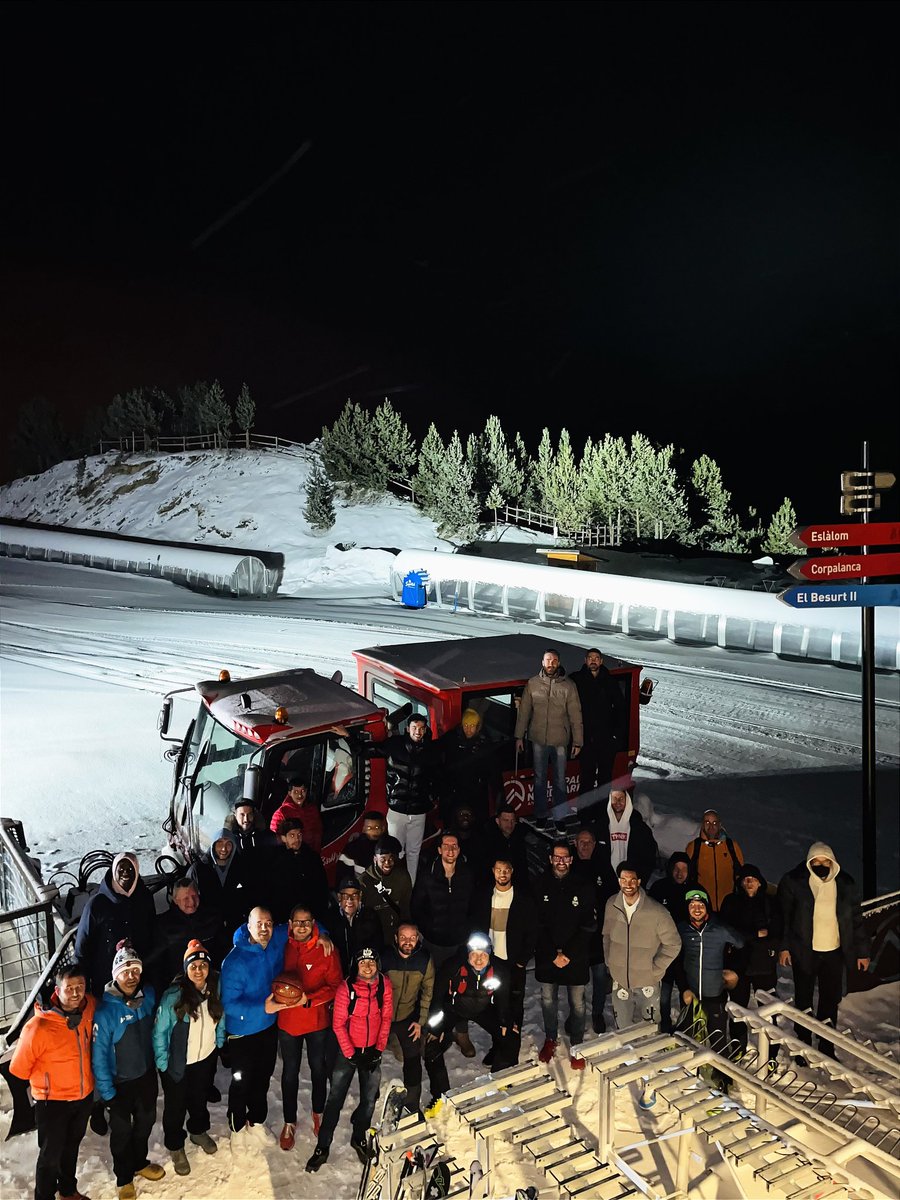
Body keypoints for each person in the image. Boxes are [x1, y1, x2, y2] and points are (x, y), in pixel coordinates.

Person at [10, 963, 96, 1200]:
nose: (77, 993)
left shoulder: (88, 1009)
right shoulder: (38, 1027)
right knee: (50, 1156)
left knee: (71, 1148)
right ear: (57, 991)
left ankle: (68, 1191)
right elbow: (18, 1069)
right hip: (53, 1103)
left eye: (81, 986)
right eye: (70, 988)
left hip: (83, 1095)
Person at [777, 842, 870, 1059]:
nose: (821, 865)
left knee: (830, 1000)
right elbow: (784, 918)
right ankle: (803, 1045)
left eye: (825, 862)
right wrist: (784, 947)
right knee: (803, 999)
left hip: (834, 952)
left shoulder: (845, 884)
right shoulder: (794, 882)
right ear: (809, 862)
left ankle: (826, 1046)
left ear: (833, 862)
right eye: (816, 862)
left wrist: (862, 952)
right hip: (804, 950)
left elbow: (856, 920)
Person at [305, 947, 394, 1173]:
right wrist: (351, 1053)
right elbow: (338, 1024)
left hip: (372, 1050)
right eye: (362, 962)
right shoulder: (347, 988)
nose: (367, 967)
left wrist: (378, 1049)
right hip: (349, 1052)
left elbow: (386, 1018)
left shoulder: (384, 985)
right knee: (335, 1099)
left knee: (369, 1098)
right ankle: (322, 1146)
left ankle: (359, 1136)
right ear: (356, 965)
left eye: (371, 962)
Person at [91, 941, 165, 1200]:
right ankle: (124, 1178)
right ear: (115, 975)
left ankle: (139, 1162)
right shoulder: (105, 1013)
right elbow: (99, 1056)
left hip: (145, 1075)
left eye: (135, 971)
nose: (131, 977)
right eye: (125, 971)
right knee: (122, 1131)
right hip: (119, 1083)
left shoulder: (149, 997)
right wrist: (107, 1094)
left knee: (145, 1122)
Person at [152, 939, 225, 1176]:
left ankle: (198, 1130)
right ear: (186, 969)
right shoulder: (174, 996)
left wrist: (220, 1040)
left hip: (204, 1058)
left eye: (203, 965)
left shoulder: (214, 988)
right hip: (179, 1063)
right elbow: (160, 1032)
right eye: (193, 966)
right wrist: (163, 1061)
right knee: (175, 1106)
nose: (198, 970)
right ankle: (175, 1145)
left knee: (198, 1099)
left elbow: (220, 1016)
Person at [422, 933, 515, 1116]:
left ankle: (501, 1079)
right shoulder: (452, 967)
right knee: (431, 1047)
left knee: (510, 1036)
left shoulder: (500, 969)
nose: (479, 959)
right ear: (467, 954)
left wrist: (506, 1022)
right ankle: (440, 1095)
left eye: (483, 955)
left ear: (489, 954)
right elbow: (438, 999)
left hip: (484, 1009)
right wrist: (436, 1027)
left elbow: (504, 999)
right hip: (455, 1008)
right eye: (474, 954)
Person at [220, 906, 291, 1144]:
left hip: (267, 1027)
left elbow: (300, 923)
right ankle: (237, 1125)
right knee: (242, 1080)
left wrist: (321, 934)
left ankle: (257, 1120)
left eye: (268, 923)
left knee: (263, 1076)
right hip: (242, 1033)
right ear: (248, 926)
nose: (265, 928)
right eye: (259, 923)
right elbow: (228, 1004)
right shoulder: (234, 961)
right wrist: (263, 1007)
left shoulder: (274, 941)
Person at [277, 905, 342, 1151]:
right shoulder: (281, 945)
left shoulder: (326, 949)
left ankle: (318, 1112)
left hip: (316, 1020)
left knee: (318, 1068)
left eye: (307, 922)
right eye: (297, 922)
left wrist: (310, 999)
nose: (302, 927)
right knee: (290, 1071)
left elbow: (336, 985)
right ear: (290, 923)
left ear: (314, 923)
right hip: (288, 1021)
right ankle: (289, 1121)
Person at [533, 840, 596, 1069]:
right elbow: (536, 923)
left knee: (577, 1004)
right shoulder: (539, 884)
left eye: (565, 857)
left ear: (571, 859)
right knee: (548, 1000)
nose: (561, 862)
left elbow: (588, 924)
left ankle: (577, 1045)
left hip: (575, 957)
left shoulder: (583, 885)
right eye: (557, 857)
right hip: (548, 956)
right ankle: (551, 1038)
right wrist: (552, 954)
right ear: (550, 859)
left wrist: (568, 953)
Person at [471, 856, 536, 1063]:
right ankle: (497, 1044)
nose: (502, 874)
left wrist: (522, 960)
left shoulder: (522, 898)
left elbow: (531, 931)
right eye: (499, 870)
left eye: (506, 870)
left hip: (512, 962)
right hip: (490, 961)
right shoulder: (485, 895)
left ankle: (511, 1051)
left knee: (514, 1006)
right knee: (494, 1006)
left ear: (512, 872)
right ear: (493, 871)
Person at [602, 861, 681, 1030]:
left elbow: (673, 944)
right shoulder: (611, 905)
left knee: (650, 1027)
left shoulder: (656, 912)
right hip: (620, 979)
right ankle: (629, 1056)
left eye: (632, 880)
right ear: (619, 881)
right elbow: (607, 935)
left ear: (639, 881)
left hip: (647, 980)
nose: (628, 884)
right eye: (624, 879)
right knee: (623, 1027)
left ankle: (650, 1055)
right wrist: (610, 961)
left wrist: (656, 969)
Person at [719, 865, 783, 1056]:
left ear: (759, 882)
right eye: (745, 879)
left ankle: (772, 1052)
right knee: (738, 1009)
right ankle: (738, 1047)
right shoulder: (731, 901)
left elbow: (776, 932)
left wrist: (747, 937)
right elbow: (728, 932)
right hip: (738, 964)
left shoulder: (770, 903)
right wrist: (754, 934)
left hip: (764, 965)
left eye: (752, 879)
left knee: (769, 1010)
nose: (749, 883)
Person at [366, 713, 438, 883]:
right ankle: (393, 886)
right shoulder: (394, 745)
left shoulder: (431, 750)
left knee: (414, 852)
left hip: (418, 810)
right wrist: (349, 737)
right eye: (414, 727)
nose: (418, 731)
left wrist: (432, 797)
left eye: (421, 728)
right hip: (397, 809)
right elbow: (371, 749)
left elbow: (436, 776)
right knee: (395, 852)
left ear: (426, 729)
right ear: (407, 729)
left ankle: (409, 889)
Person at [514, 648, 583, 827]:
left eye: (554, 661)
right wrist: (519, 736)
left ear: (558, 663)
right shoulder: (533, 684)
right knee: (539, 779)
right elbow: (524, 713)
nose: (550, 664)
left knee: (560, 779)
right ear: (542, 662)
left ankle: (560, 817)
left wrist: (577, 741)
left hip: (560, 740)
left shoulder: (568, 686)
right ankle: (541, 815)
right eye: (547, 660)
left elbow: (576, 715)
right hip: (538, 740)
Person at [74, 852, 156, 1000]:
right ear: (113, 871)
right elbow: (82, 949)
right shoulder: (96, 905)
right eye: (121, 869)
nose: (125, 873)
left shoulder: (145, 898)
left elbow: (152, 933)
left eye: (130, 869)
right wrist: (84, 989)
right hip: (105, 984)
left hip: (138, 981)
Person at [675, 888, 745, 1061]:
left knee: (717, 1042)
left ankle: (722, 1081)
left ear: (707, 907)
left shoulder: (720, 928)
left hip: (714, 995)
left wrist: (735, 971)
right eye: (692, 905)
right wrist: (683, 988)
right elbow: (675, 960)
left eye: (701, 905)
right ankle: (689, 1079)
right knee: (688, 1041)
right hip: (690, 996)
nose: (697, 909)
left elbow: (743, 946)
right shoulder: (681, 929)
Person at [381, 922, 435, 1116]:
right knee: (369, 1056)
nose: (408, 942)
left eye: (412, 938)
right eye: (403, 937)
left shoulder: (424, 960)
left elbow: (428, 992)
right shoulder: (385, 956)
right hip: (382, 1018)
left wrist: (420, 1021)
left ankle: (412, 1104)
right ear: (396, 938)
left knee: (412, 1060)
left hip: (407, 1017)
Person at [571, 826, 617, 1033]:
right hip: (576, 934)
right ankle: (575, 1015)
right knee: (576, 979)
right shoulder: (569, 867)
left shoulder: (603, 867)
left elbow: (613, 897)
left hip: (598, 934)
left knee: (599, 977)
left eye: (589, 842)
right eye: (582, 842)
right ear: (575, 843)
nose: (586, 846)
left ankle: (597, 1013)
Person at [412, 830, 476, 973]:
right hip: (434, 943)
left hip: (460, 942)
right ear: (440, 850)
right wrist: (427, 929)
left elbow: (474, 905)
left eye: (454, 846)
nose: (451, 850)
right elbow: (417, 906)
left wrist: (468, 929)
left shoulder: (468, 875)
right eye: (446, 846)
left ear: (459, 850)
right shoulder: (427, 875)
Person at [150, 877, 227, 994]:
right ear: (175, 900)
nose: (191, 902)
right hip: (178, 988)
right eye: (185, 898)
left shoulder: (213, 917)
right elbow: (157, 964)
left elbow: (224, 949)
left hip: (211, 985)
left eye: (194, 896)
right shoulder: (163, 925)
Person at [570, 647, 627, 795]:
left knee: (605, 780)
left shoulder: (610, 682)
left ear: (601, 661)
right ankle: (585, 816)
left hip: (606, 740)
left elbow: (620, 709)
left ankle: (602, 815)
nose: (593, 661)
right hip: (586, 739)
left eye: (596, 658)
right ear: (585, 660)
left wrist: (616, 736)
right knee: (586, 780)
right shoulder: (576, 679)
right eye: (590, 658)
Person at [648, 852, 692, 1032]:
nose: (679, 873)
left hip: (688, 951)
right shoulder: (659, 888)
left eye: (684, 869)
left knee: (686, 991)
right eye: (676, 869)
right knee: (664, 991)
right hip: (664, 949)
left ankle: (687, 1024)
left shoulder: (695, 890)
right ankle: (664, 1024)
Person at [435, 707, 502, 823]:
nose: (468, 729)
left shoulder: (484, 742)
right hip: (453, 792)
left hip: (476, 793)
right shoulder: (451, 737)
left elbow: (493, 769)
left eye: (472, 726)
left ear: (478, 727)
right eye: (466, 725)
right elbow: (435, 751)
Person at [266, 816, 331, 926]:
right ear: (283, 838)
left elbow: (322, 888)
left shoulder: (312, 858)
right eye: (292, 835)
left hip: (311, 917)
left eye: (299, 835)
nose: (297, 839)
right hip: (285, 919)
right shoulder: (275, 862)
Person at [189, 827, 250, 937]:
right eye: (220, 843)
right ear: (213, 845)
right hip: (207, 928)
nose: (224, 849)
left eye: (228, 844)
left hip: (235, 928)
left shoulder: (242, 868)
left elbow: (250, 895)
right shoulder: (198, 870)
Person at [593, 788, 658, 885]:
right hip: (606, 883)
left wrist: (639, 879)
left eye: (621, 798)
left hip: (631, 883)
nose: (618, 802)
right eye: (614, 798)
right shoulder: (600, 826)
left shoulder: (640, 828)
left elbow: (649, 856)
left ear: (627, 800)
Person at [685, 809, 744, 912]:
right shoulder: (694, 847)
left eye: (714, 823)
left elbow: (741, 874)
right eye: (707, 822)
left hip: (728, 908)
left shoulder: (731, 846)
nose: (711, 826)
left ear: (720, 825)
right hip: (702, 908)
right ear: (702, 825)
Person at [359, 834, 413, 944]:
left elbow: (406, 907)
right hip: (374, 937)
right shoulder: (364, 881)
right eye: (383, 859)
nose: (387, 863)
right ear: (375, 859)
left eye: (391, 859)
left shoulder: (402, 877)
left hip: (396, 936)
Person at [329, 875, 384, 977]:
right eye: (345, 895)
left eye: (354, 895)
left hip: (363, 975)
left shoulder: (370, 916)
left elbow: (378, 947)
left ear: (360, 896)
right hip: (338, 975)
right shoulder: (330, 917)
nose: (350, 900)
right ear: (339, 897)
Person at [269, 777, 323, 854]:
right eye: (296, 792)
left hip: (310, 854)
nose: (300, 795)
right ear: (289, 793)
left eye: (303, 791)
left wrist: (316, 853)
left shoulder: (312, 809)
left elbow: (318, 832)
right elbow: (275, 837)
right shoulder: (281, 813)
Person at [480, 803, 530, 885]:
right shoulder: (486, 840)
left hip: (517, 886)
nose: (510, 824)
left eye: (512, 821)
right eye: (506, 820)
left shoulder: (519, 837)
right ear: (497, 821)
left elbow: (523, 866)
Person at [337, 810, 388, 877]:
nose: (373, 831)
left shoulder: (391, 846)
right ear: (363, 829)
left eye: (376, 827)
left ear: (383, 828)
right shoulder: (352, 848)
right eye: (369, 828)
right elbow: (344, 873)